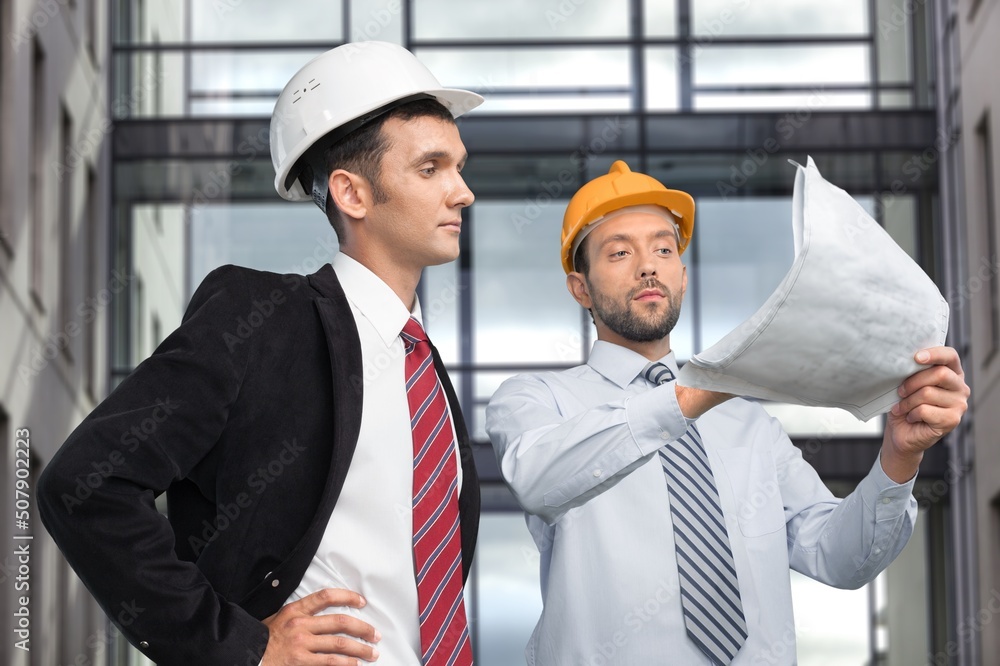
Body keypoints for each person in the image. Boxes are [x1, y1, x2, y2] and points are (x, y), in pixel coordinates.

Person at [39, 41, 482, 666]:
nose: (462, 192)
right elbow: (84, 486)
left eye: (460, 167)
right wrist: (242, 647)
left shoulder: (426, 372)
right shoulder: (259, 319)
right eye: (431, 168)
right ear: (351, 194)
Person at [485, 160, 970, 665]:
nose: (648, 266)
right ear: (579, 287)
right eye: (620, 252)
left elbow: (840, 558)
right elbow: (538, 476)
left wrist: (899, 458)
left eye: (663, 248)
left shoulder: (749, 424)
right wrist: (694, 395)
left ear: (683, 276)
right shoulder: (535, 399)